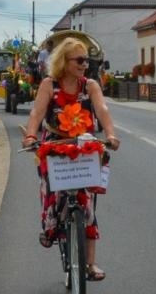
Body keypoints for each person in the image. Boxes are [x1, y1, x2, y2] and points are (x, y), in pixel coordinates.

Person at [22, 37, 122, 280]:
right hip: (54, 142)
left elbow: (102, 111)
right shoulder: (49, 84)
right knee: (51, 186)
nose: (84, 64)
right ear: (64, 62)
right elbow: (36, 112)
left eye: (86, 60)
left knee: (86, 202)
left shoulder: (90, 85)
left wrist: (110, 134)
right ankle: (51, 225)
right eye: (79, 60)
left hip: (82, 144)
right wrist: (31, 135)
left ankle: (90, 263)